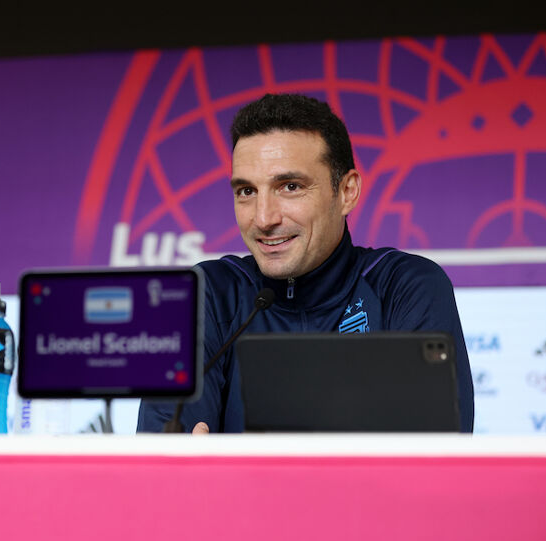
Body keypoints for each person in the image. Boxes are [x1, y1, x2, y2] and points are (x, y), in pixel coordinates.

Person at [137, 93, 475, 433]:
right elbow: (166, 463)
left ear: (346, 192)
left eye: (290, 186)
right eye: (246, 192)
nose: (264, 218)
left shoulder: (404, 286)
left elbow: (432, 464)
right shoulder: (206, 292)